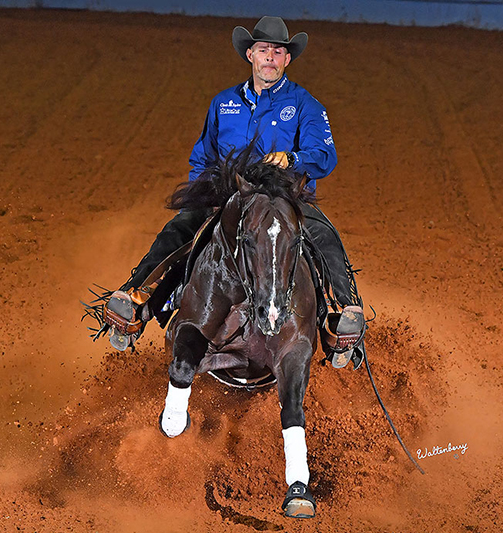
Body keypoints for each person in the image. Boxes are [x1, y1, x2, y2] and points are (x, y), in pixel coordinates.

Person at [104, 16, 365, 368]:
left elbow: (325, 156)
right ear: (250, 56)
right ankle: (137, 299)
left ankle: (341, 314)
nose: (270, 58)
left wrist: (292, 158)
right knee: (181, 229)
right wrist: (204, 193)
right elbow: (202, 156)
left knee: (323, 235)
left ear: (287, 59)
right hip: (228, 198)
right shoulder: (222, 103)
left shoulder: (307, 105)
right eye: (263, 51)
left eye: (277, 51)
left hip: (284, 200)